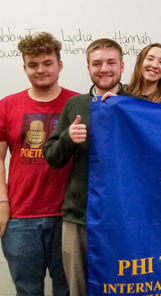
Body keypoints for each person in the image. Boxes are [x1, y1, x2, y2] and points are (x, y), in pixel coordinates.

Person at [43, 38, 145, 296]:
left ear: (122, 66)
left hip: (126, 217)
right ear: (88, 68)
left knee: (127, 288)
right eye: (97, 63)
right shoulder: (75, 106)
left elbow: (159, 154)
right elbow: (53, 158)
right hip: (79, 217)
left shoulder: (139, 105)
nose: (104, 69)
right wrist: (68, 138)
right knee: (79, 289)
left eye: (111, 62)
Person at [0, 32, 77, 296]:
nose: (40, 70)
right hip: (20, 217)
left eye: (47, 63)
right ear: (24, 68)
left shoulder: (78, 104)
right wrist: (2, 203)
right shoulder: (7, 105)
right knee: (27, 290)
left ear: (60, 65)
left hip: (69, 217)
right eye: (33, 65)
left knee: (68, 290)